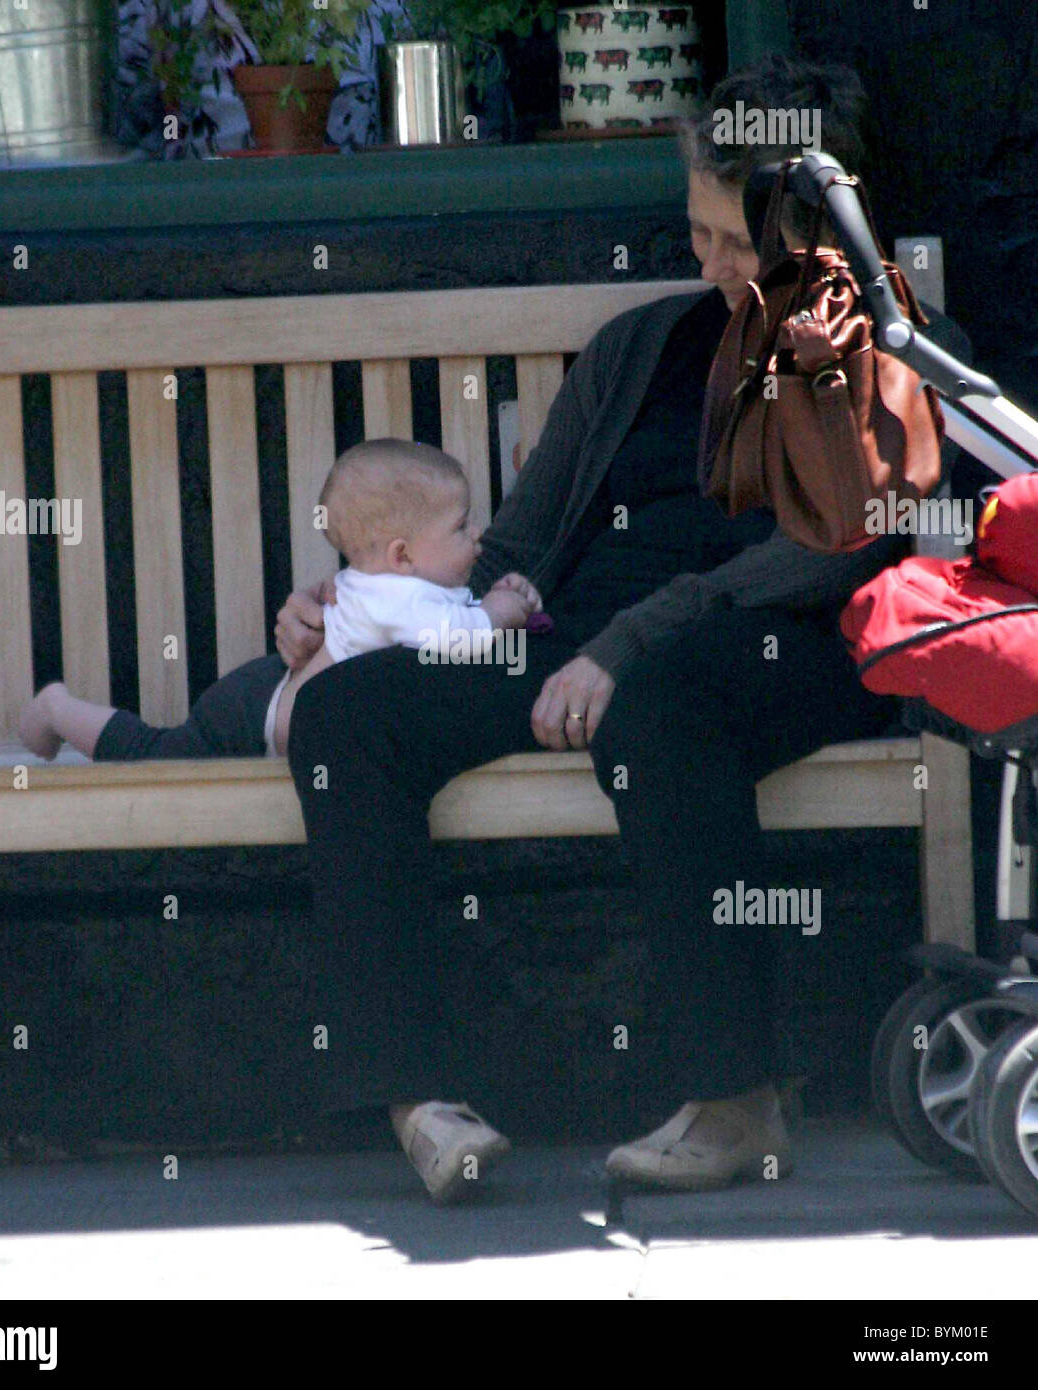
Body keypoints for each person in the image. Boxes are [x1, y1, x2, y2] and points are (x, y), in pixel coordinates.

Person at [277, 54, 972, 1203]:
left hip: (778, 645)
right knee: (349, 716)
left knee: (656, 708)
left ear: (816, 223)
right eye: (695, 233)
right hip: (574, 644)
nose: (706, 264)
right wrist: (351, 603)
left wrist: (629, 640)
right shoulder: (636, 350)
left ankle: (738, 1098)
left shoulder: (888, 352)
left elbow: (835, 542)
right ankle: (419, 1098)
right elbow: (510, 551)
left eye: (736, 244)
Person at [17, 439, 540, 764]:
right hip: (251, 713)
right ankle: (57, 709)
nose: (478, 535)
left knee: (162, 749)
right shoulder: (396, 596)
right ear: (401, 555)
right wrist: (501, 610)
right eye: (460, 526)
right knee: (158, 757)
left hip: (273, 691)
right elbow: (458, 637)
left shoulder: (397, 584)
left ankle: (61, 711)